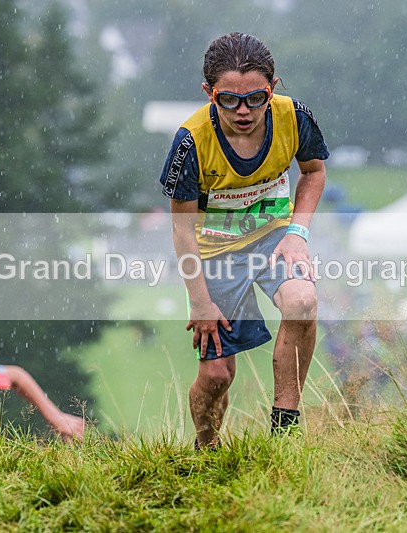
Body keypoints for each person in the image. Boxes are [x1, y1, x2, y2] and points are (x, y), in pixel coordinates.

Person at [159, 32, 328, 448]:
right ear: (208, 93)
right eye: (228, 100)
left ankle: (284, 430)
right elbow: (182, 230)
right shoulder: (190, 141)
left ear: (271, 88)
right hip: (213, 252)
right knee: (217, 375)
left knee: (302, 301)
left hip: (273, 238)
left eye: (256, 98)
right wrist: (200, 303)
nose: (243, 111)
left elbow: (313, 172)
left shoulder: (294, 116)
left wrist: (297, 233)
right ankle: (205, 450)